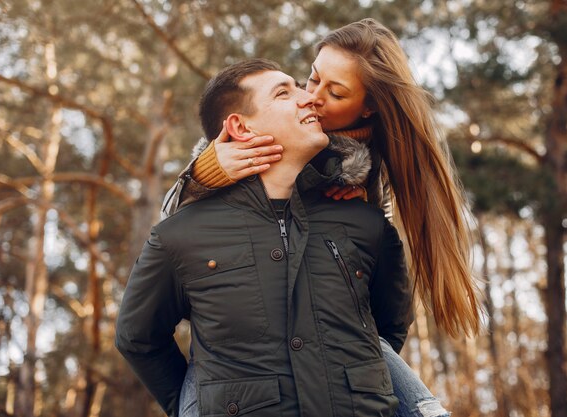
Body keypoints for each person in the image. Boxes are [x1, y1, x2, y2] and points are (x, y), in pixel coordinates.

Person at [165, 18, 474, 417]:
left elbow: (374, 300)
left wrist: (346, 375)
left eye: (336, 92)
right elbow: (173, 228)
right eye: (312, 79)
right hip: (231, 359)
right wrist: (206, 170)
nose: (312, 96)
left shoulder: (367, 171)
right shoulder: (256, 133)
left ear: (368, 108)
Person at [116, 58, 412, 417]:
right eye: (284, 93)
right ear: (240, 128)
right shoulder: (180, 236)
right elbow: (137, 338)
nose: (308, 99)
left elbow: (389, 327)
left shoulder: (366, 222)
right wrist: (199, 404)